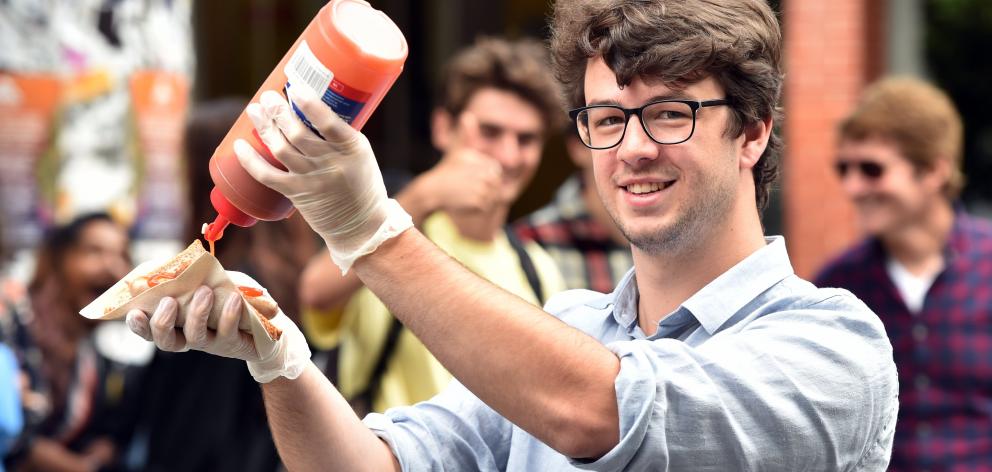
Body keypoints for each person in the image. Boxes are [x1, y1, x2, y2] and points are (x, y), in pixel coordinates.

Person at [127, 1, 899, 470]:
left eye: (671, 114)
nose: (631, 149)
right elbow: (370, 466)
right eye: (606, 119)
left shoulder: (833, 345)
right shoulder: (572, 324)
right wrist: (280, 361)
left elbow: (605, 414)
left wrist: (372, 229)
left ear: (753, 134)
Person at [297, 37, 567, 413]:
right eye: (490, 132)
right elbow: (315, 291)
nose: (507, 156)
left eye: (526, 140)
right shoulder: (396, 238)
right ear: (443, 129)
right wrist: (423, 195)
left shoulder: (539, 268)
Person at [814, 77, 989, 471]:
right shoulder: (835, 287)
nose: (853, 186)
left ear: (934, 171)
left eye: (872, 169)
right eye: (844, 168)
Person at [5, 213, 146, 472]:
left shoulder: (92, 357)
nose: (113, 267)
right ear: (58, 260)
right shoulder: (11, 325)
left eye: (122, 255)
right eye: (94, 251)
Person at [512, 126, 632, 292]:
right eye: (610, 122)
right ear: (577, 147)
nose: (634, 150)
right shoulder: (529, 241)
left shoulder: (675, 234)